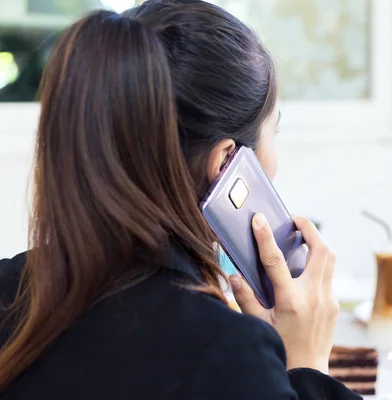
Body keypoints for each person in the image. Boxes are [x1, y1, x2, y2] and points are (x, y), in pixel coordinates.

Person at [0, 2, 359, 399]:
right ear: (226, 162)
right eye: (274, 130)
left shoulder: (7, 290)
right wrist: (307, 363)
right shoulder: (228, 356)